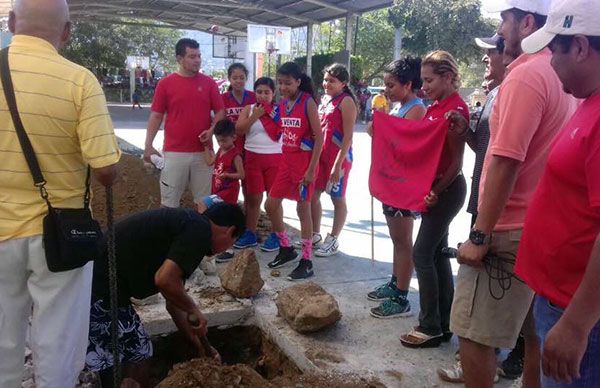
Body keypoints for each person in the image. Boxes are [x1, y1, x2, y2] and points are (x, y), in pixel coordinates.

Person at [449, 1, 578, 387]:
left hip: (505, 231)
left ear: (526, 22)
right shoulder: (559, 74)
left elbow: (507, 160)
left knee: (474, 334)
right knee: (533, 334)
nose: (500, 31)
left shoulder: (526, 76)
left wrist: (480, 235)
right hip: (537, 224)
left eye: (504, 21)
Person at [0, 0, 120, 386]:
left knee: (2, 335)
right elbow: (105, 169)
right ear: (66, 32)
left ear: (12, 21)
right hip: (60, 235)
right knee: (57, 338)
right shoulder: (79, 80)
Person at [514, 1, 600, 386]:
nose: (549, 63)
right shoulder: (587, 103)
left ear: (581, 47)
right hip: (562, 303)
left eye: (556, 50)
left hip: (579, 316)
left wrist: (577, 325)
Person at [437, 35, 525, 384]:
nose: (487, 59)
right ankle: (500, 361)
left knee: (478, 322)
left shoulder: (520, 89)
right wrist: (468, 132)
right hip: (484, 202)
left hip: (498, 214)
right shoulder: (495, 93)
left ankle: (488, 363)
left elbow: (508, 160)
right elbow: (488, 148)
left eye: (493, 53)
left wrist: (481, 233)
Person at [86, 203, 245, 387]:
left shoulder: (188, 227)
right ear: (230, 231)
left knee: (121, 353)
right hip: (99, 287)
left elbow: (173, 302)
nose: (224, 250)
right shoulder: (199, 231)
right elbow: (164, 279)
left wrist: (199, 344)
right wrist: (193, 308)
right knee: (138, 351)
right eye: (231, 244)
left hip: (97, 284)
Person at [398, 51, 469, 348]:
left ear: (448, 78)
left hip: (447, 191)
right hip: (436, 190)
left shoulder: (456, 110)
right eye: (422, 80)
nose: (423, 86)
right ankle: (444, 323)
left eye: (429, 80)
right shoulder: (437, 106)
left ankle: (429, 325)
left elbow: (457, 163)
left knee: (422, 254)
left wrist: (436, 192)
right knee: (437, 255)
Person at [366, 57, 427, 319]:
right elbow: (376, 132)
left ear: (408, 84)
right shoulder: (397, 108)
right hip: (391, 182)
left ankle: (402, 296)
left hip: (403, 186)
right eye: (386, 85)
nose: (387, 90)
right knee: (396, 239)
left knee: (403, 241)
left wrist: (381, 125)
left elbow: (401, 142)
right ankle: (394, 283)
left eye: (391, 85)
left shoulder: (416, 109)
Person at [144, 38, 225, 208]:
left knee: (204, 203)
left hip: (204, 153)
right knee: (169, 202)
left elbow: (220, 111)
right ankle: (168, 234)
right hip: (174, 153)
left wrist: (211, 131)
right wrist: (148, 145)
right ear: (179, 59)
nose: (197, 60)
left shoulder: (209, 83)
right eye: (192, 56)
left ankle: (202, 234)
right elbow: (156, 115)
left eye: (199, 56)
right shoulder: (165, 84)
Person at [264, 62, 324, 281]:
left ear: (298, 82)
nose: (283, 87)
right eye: (280, 83)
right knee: (270, 204)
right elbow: (279, 130)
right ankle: (286, 248)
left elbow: (320, 139)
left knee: (303, 209)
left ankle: (307, 261)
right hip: (286, 160)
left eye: (288, 83)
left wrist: (310, 170)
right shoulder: (281, 103)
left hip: (304, 162)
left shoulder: (308, 102)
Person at [310, 63, 357, 257]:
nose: (327, 83)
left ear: (344, 83)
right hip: (321, 156)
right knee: (313, 196)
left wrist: (337, 166)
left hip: (338, 158)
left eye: (332, 80)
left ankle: (333, 239)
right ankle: (314, 234)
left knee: (337, 198)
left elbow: (348, 137)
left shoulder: (346, 102)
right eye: (325, 80)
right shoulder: (324, 100)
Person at [233, 77, 283, 253]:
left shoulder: (280, 110)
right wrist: (255, 116)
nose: (263, 95)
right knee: (253, 198)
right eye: (259, 92)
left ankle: (278, 234)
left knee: (273, 199)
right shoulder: (249, 109)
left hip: (275, 158)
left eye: (267, 92)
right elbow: (239, 130)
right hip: (253, 158)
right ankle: (250, 233)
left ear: (273, 93)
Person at [202, 119, 244, 205]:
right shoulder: (220, 150)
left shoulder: (236, 155)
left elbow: (242, 175)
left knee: (204, 204)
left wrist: (227, 175)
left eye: (224, 140)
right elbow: (209, 162)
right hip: (217, 189)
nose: (221, 143)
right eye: (218, 141)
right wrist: (205, 146)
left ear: (234, 137)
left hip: (228, 191)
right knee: (214, 212)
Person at [221, 62, 256, 153]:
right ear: (229, 79)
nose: (238, 81)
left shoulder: (254, 97)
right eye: (234, 78)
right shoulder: (223, 98)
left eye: (241, 78)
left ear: (246, 78)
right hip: (230, 144)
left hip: (250, 143)